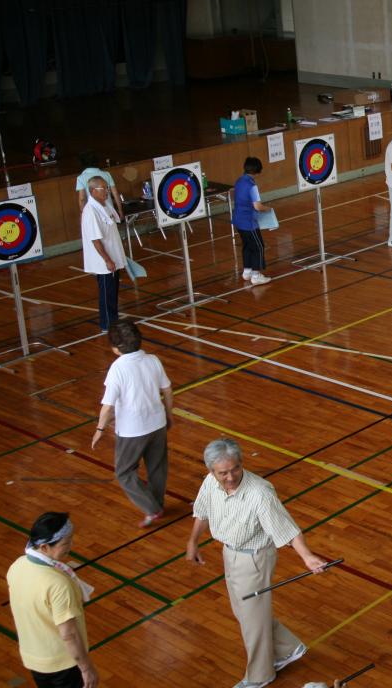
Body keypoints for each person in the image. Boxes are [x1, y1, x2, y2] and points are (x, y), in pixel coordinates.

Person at [185, 438, 330, 688]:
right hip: (230, 553)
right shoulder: (211, 482)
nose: (230, 477)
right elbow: (202, 511)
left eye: (235, 469)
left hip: (255, 559)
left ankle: (260, 675)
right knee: (246, 612)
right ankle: (287, 648)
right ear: (211, 471)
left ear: (242, 464)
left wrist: (307, 556)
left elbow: (287, 528)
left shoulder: (260, 493)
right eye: (223, 473)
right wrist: (193, 541)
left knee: (251, 618)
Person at [92, 320, 173, 528]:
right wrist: (169, 415)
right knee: (157, 467)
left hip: (132, 430)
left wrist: (100, 430)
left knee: (124, 472)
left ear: (115, 348)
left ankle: (152, 508)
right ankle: (157, 505)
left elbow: (108, 406)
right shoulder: (153, 359)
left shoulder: (117, 369)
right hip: (158, 422)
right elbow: (167, 390)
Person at [7, 512, 98, 688]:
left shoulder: (17, 566)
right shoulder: (58, 584)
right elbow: (69, 634)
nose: (70, 546)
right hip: (63, 664)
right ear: (44, 547)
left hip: (34, 659)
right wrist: (86, 668)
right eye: (65, 543)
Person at [80, 176, 126, 333]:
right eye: (103, 189)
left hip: (113, 256)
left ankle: (113, 320)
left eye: (107, 188)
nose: (107, 192)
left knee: (113, 292)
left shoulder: (104, 205)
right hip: (104, 262)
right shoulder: (90, 211)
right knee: (107, 294)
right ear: (93, 191)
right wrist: (107, 259)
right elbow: (95, 240)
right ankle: (107, 325)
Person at [232, 156, 273, 285]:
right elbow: (257, 206)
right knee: (259, 246)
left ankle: (247, 272)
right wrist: (268, 209)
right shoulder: (252, 186)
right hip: (249, 222)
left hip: (238, 220)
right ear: (257, 171)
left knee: (247, 245)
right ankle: (256, 275)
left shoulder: (238, 181)